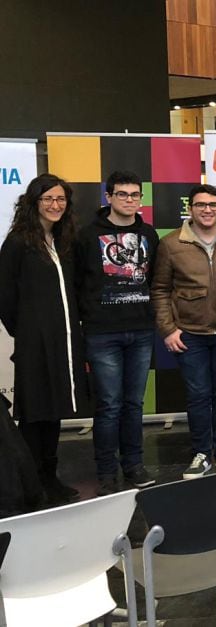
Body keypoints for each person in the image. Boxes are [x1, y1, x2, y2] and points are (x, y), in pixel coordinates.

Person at [0, 173, 90, 504]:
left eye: (60, 199)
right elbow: (5, 296)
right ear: (34, 202)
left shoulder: (65, 241)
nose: (55, 205)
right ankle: (32, 479)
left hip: (64, 340)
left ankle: (50, 477)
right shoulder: (18, 242)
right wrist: (25, 332)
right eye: (48, 199)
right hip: (33, 342)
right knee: (34, 411)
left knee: (54, 410)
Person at [151, 183, 216, 479]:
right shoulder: (170, 244)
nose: (207, 210)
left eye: (212, 204)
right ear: (190, 209)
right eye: (200, 205)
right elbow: (159, 290)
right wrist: (168, 330)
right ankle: (201, 454)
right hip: (189, 334)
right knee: (197, 395)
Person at [74, 170, 159, 495]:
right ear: (108, 197)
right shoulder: (87, 235)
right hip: (102, 333)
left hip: (140, 330)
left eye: (134, 195)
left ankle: (134, 465)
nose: (129, 200)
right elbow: (77, 283)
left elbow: (154, 280)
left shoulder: (148, 234)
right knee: (108, 405)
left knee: (133, 404)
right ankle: (107, 471)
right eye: (122, 194)